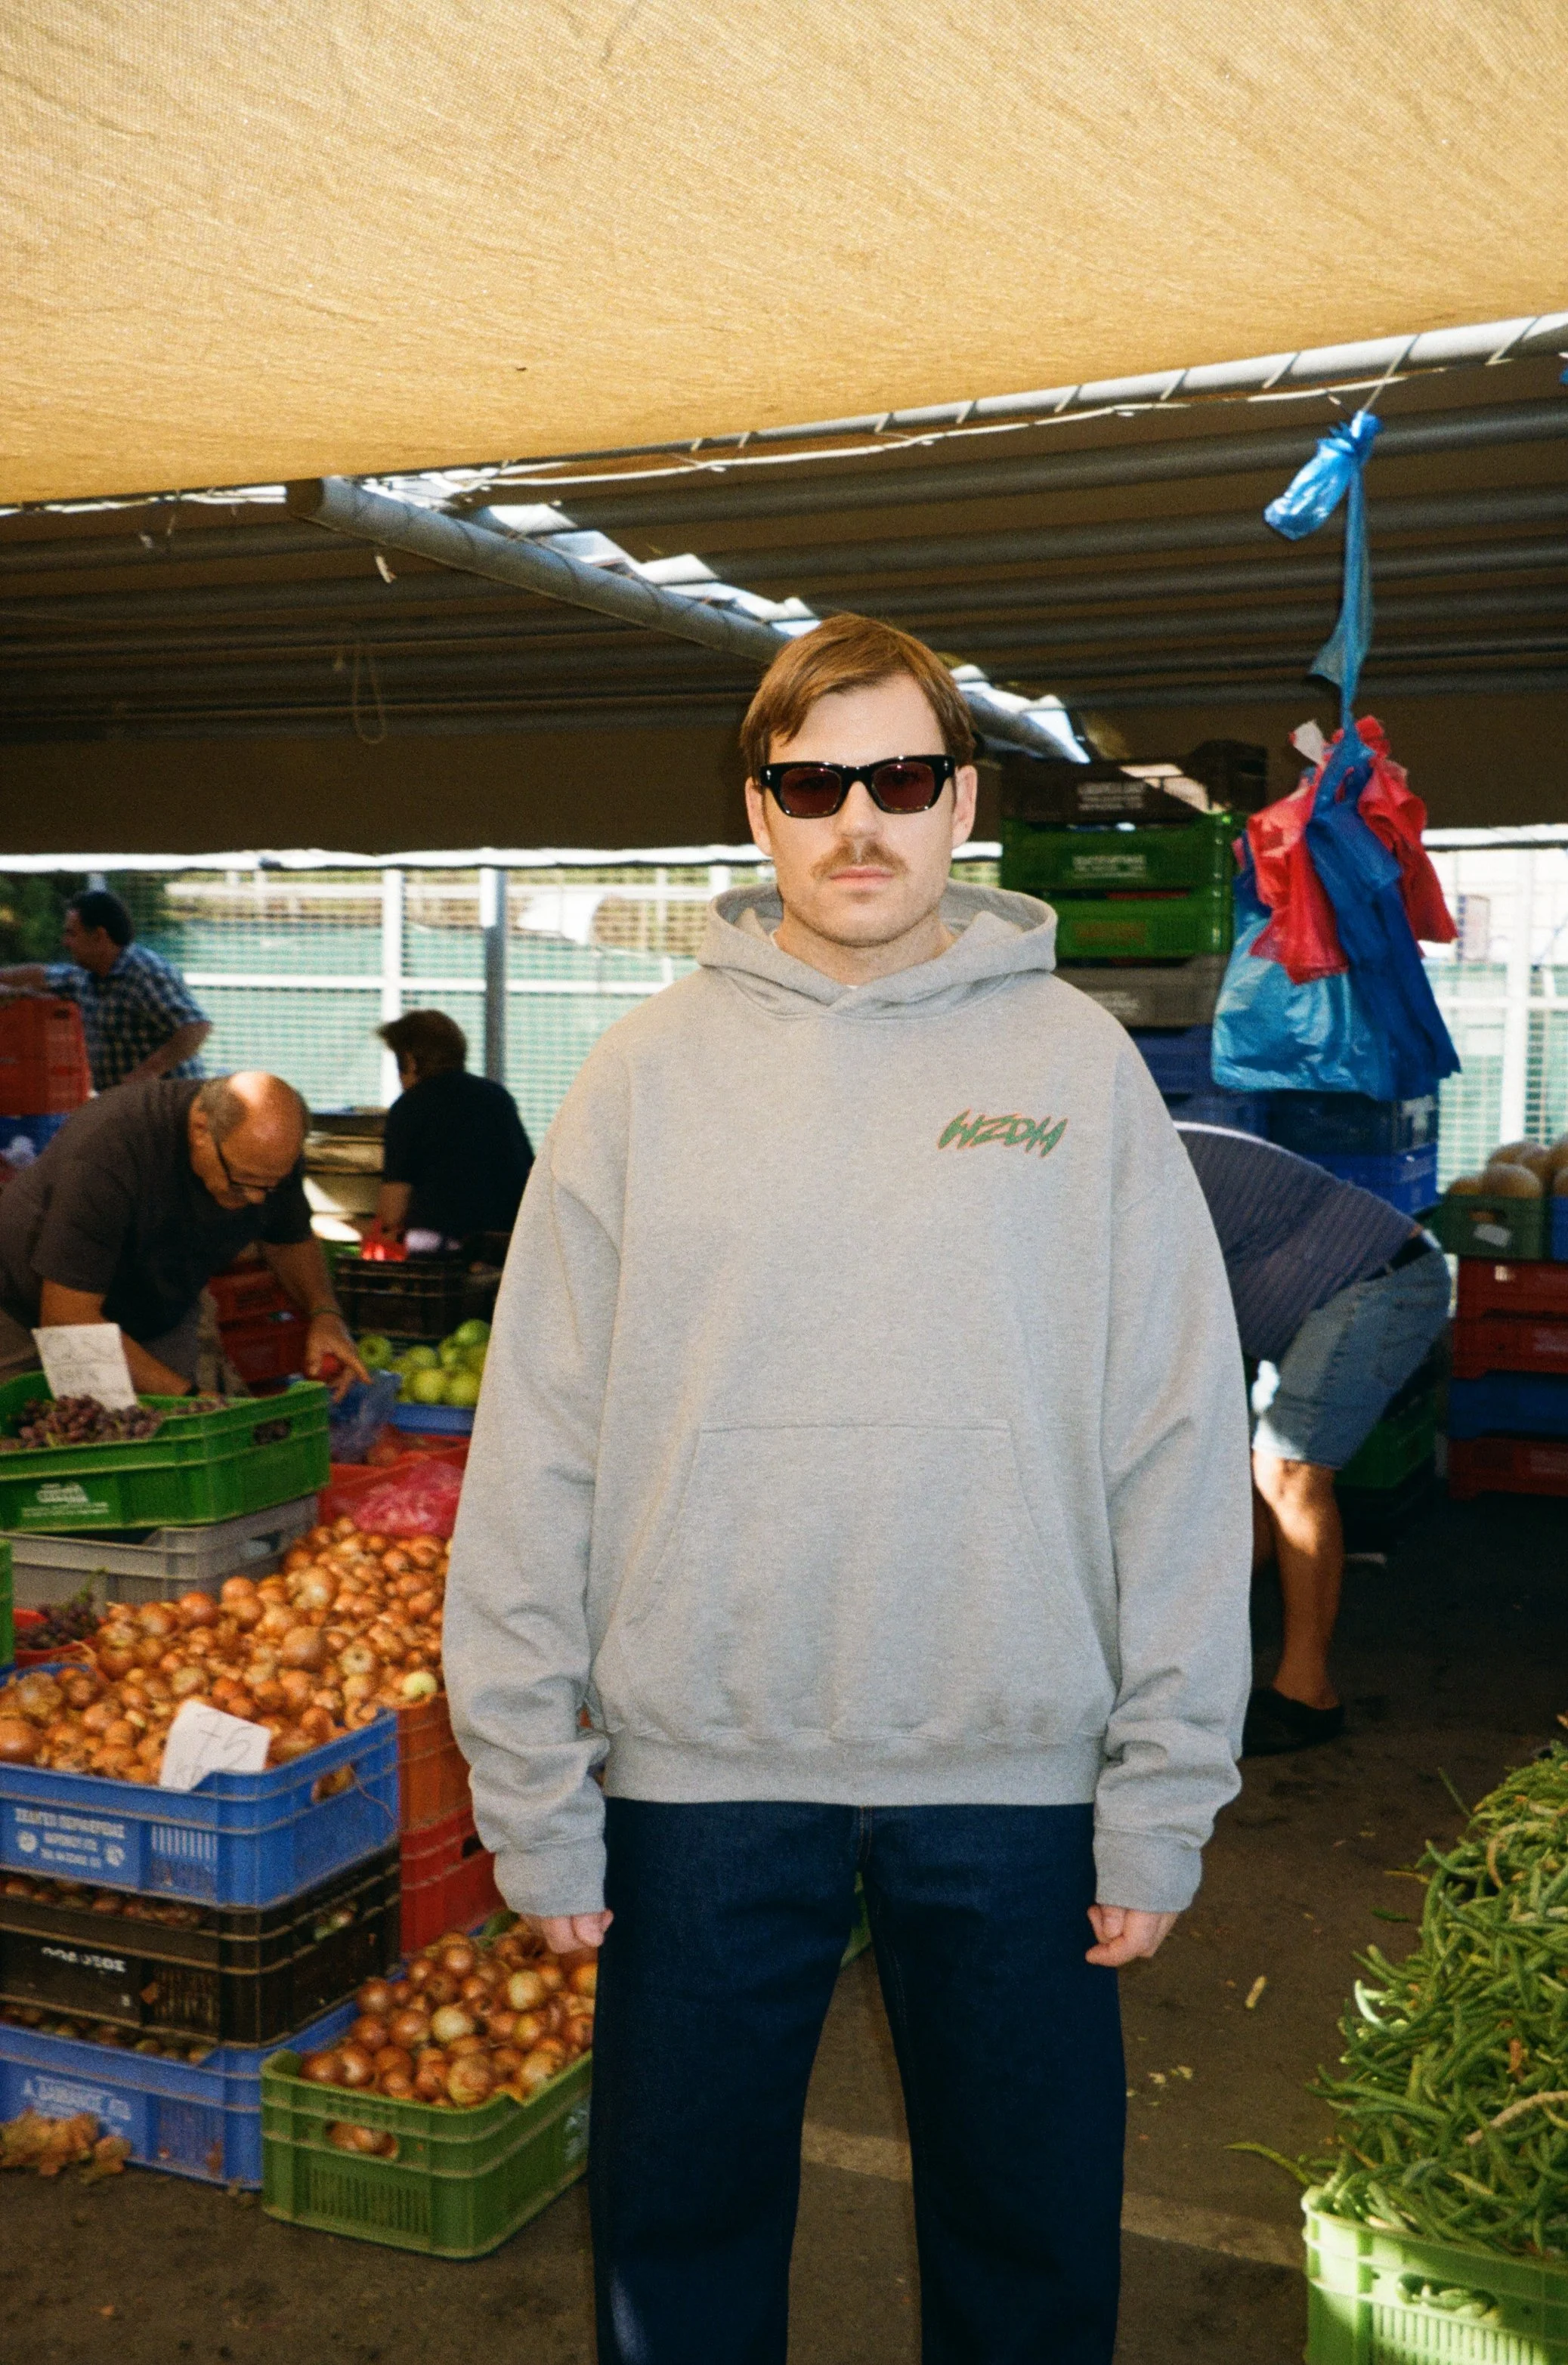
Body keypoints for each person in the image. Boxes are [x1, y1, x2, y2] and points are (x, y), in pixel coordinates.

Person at [444, 614, 1252, 2365]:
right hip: (702, 1782)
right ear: (758, 813)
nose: (857, 823)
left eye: (898, 778)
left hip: (1015, 1783)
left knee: (1029, 2252)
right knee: (678, 2251)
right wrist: (534, 1784)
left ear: (961, 800)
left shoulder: (1072, 1073)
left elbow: (1177, 1440)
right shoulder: (643, 1078)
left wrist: (1161, 1785)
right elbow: (537, 1449)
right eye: (814, 784)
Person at [1174, 1122, 1451, 1758]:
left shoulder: (1138, 1170)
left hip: (1380, 1280)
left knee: (1287, 1475)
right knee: (1244, 1478)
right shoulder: (1115, 1158)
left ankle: (1307, 1695)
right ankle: (1197, 1665)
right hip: (1314, 1303)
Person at [0, 1071, 366, 1398]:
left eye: (269, 1187)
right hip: (24, 1308)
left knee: (163, 1451)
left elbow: (288, 1237)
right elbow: (68, 1318)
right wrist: (190, 1398)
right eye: (241, 1183)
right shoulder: (111, 1147)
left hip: (153, 1311)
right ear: (201, 1129)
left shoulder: (265, 1154)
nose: (255, 1198)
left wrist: (324, 1314)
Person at [0, 887, 210, 1092]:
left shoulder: (145, 972)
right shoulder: (86, 977)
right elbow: (39, 975)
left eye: (72, 934)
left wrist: (147, 1073)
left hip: (170, 1104)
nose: (65, 942)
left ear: (99, 936)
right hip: (125, 1105)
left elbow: (196, 1027)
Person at [371, 1009, 533, 1251]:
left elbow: (393, 1212)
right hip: (504, 1249)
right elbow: (527, 1177)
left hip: (439, 1254)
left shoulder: (410, 1107)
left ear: (411, 1061)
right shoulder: (497, 1098)